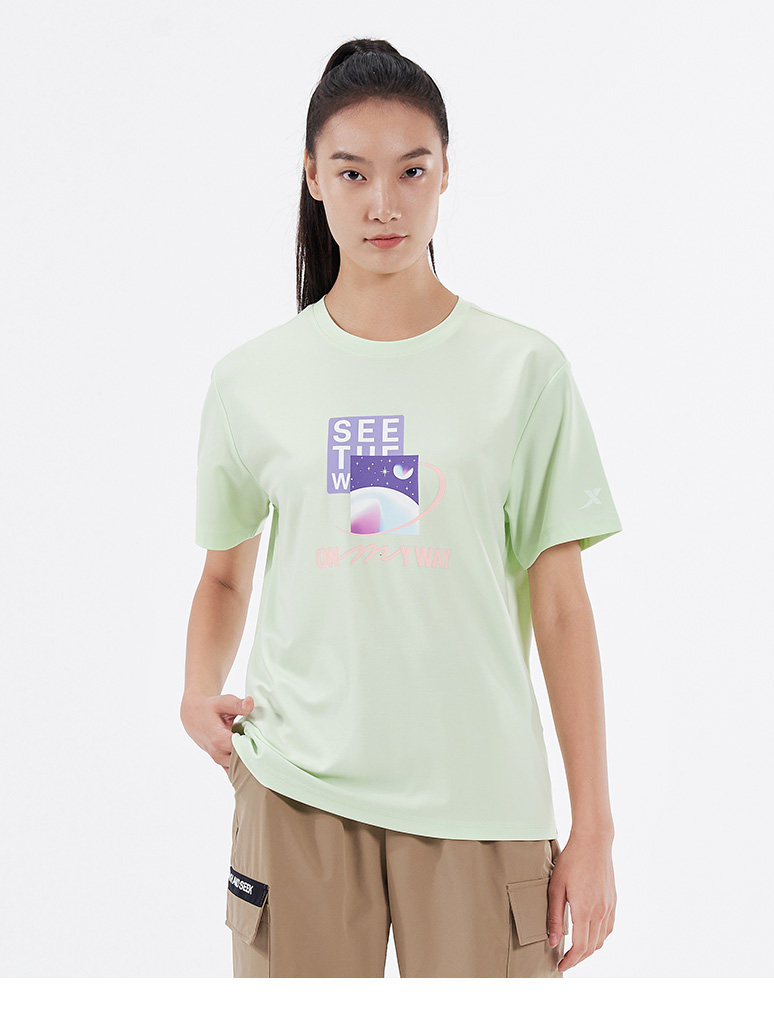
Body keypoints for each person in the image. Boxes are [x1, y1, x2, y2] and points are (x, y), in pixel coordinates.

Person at [181, 37, 623, 979]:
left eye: (411, 170)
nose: (383, 202)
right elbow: (224, 573)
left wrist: (594, 828)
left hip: (480, 798)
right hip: (297, 790)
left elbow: (562, 608)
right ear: (312, 176)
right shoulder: (251, 380)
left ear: (445, 173)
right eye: (352, 172)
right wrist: (194, 688)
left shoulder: (525, 371)